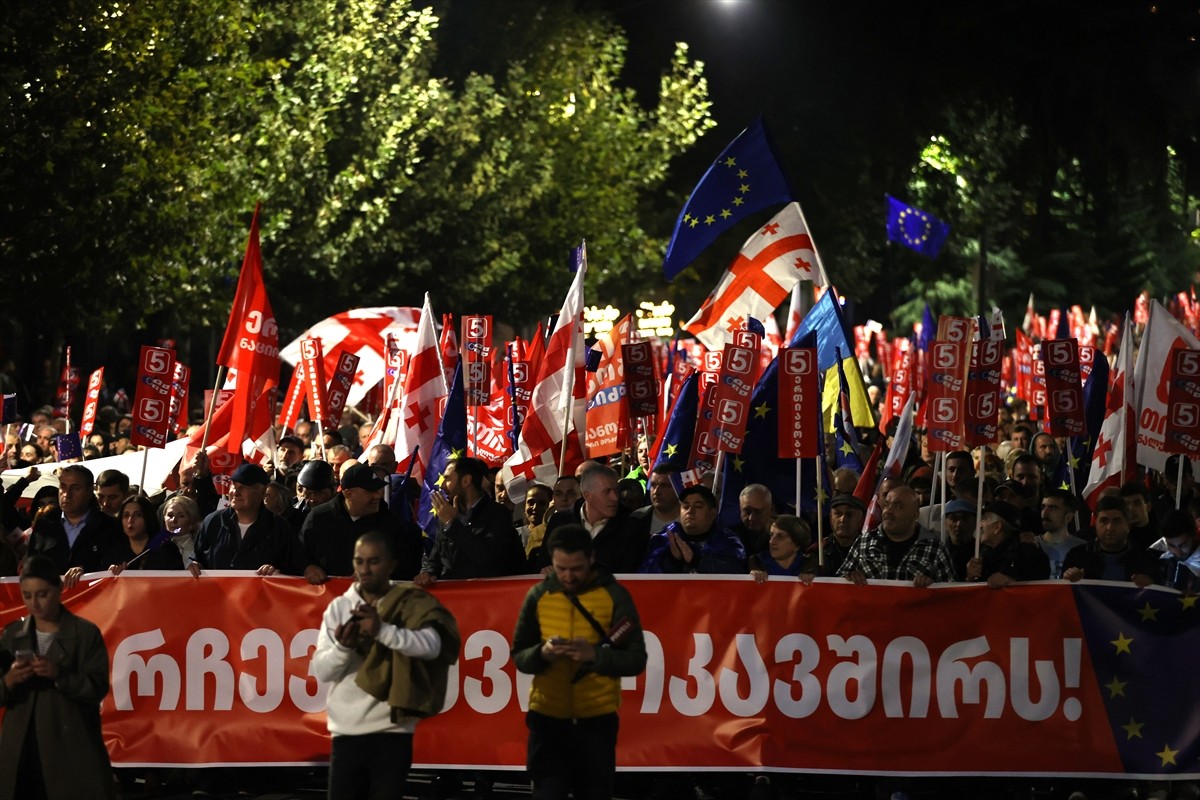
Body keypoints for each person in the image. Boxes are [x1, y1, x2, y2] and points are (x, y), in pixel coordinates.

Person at [311, 532, 459, 800]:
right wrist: (344, 648)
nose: (365, 569)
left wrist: (381, 630)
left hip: (392, 732)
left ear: (392, 565)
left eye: (374, 561)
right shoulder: (339, 608)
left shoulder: (411, 603)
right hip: (346, 732)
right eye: (360, 561)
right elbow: (321, 671)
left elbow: (432, 647)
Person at [512, 525, 647, 800]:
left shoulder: (614, 596)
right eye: (561, 568)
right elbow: (520, 656)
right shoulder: (538, 597)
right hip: (547, 721)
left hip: (596, 722)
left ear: (591, 559)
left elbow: (636, 659)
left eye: (576, 568)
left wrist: (595, 656)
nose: (568, 576)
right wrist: (542, 654)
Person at [0, 555, 115, 799]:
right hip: (21, 750)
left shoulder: (84, 633)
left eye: (42, 594)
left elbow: (97, 687)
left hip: (68, 747)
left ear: (59, 590)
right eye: (27, 595)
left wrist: (59, 675)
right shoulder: (12, 635)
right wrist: (9, 680)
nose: (35, 604)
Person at [300, 463, 423, 584]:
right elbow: (299, 552)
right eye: (370, 491)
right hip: (327, 600)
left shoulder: (392, 524)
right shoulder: (318, 518)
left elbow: (408, 563)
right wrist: (308, 566)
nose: (377, 496)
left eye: (378, 490)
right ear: (348, 493)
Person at [415, 457, 525, 585]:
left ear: (466, 480)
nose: (443, 485)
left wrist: (452, 524)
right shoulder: (446, 512)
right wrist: (428, 573)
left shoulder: (497, 514)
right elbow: (436, 558)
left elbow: (487, 558)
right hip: (451, 599)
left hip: (485, 598)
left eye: (448, 478)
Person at [536, 465, 649, 575]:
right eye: (607, 492)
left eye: (616, 491)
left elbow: (632, 574)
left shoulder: (631, 526)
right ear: (587, 495)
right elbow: (545, 563)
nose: (615, 498)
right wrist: (546, 569)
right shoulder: (560, 522)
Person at [193, 463, 303, 575]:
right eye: (234, 485)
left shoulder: (280, 528)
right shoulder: (212, 522)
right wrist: (195, 565)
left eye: (244, 487)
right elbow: (198, 558)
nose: (235, 492)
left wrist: (277, 571)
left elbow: (295, 568)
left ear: (262, 491)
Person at [837, 486, 956, 587]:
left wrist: (933, 586)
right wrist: (849, 578)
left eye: (898, 506)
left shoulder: (935, 549)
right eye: (886, 505)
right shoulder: (864, 542)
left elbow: (950, 594)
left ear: (915, 515)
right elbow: (836, 583)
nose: (888, 511)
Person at [28, 464, 123, 584]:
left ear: (90, 491)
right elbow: (32, 566)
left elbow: (114, 567)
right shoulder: (45, 524)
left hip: (93, 598)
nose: (67, 494)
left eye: (75, 488)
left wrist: (85, 571)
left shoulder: (110, 527)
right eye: (63, 487)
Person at [640, 485, 746, 574]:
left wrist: (697, 560)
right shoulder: (664, 539)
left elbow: (737, 571)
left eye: (698, 506)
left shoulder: (727, 540)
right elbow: (646, 577)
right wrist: (673, 561)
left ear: (713, 513)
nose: (690, 511)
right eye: (685, 507)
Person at [1062, 496, 1157, 586]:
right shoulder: (1077, 556)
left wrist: (1151, 585)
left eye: (1116, 521)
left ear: (1128, 524)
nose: (1109, 528)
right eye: (1104, 521)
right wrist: (1068, 579)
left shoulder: (1146, 559)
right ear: (1095, 524)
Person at [964, 501, 1050, 587]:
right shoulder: (984, 555)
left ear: (997, 527)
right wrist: (970, 578)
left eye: (985, 520)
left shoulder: (1028, 554)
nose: (980, 525)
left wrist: (1012, 576)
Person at [109, 495, 185, 573]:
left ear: (148, 518)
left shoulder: (167, 549)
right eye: (126, 515)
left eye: (138, 515)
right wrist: (111, 573)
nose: (130, 520)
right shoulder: (115, 552)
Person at [1037, 488, 1086, 579]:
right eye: (1043, 507)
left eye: (1053, 508)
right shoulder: (1032, 545)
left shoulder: (1083, 549)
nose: (1045, 513)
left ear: (1068, 517)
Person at [1150, 508, 1200, 593]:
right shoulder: (1157, 555)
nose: (1178, 552)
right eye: (1171, 545)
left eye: (1183, 545)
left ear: (1194, 536)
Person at [749, 515, 811, 582]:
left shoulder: (809, 566)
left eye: (780, 536)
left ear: (797, 544)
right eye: (771, 535)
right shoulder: (757, 562)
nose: (772, 542)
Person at [732, 484, 775, 557]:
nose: (751, 518)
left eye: (758, 512)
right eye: (747, 511)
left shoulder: (785, 536)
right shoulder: (730, 537)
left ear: (771, 510)